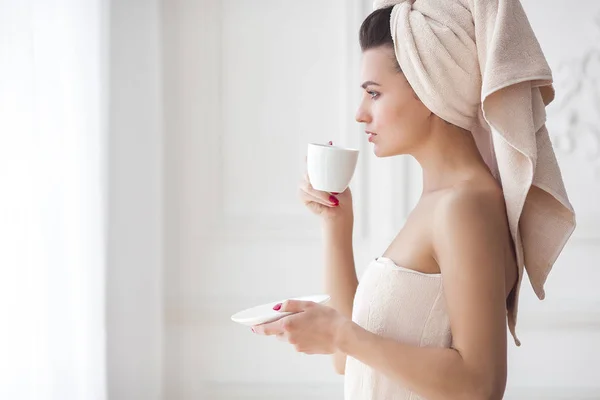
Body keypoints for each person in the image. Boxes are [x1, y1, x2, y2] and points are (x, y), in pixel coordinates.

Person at [252, 1, 575, 399]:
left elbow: (481, 386)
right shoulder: (441, 202)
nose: (359, 114)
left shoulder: (464, 206)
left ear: (430, 91)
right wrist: (336, 225)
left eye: (374, 93)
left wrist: (341, 333)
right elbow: (347, 359)